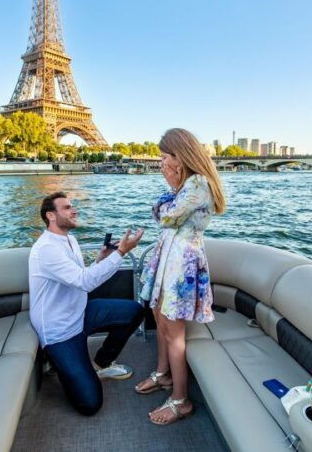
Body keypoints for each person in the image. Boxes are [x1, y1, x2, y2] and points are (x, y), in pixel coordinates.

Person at [134, 128, 226, 425]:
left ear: (179, 156)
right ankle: (163, 375)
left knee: (174, 333)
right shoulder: (187, 185)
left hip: (181, 265)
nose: (161, 162)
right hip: (168, 260)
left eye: (164, 156)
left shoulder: (198, 184)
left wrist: (171, 184)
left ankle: (181, 399)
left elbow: (165, 216)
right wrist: (174, 186)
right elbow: (163, 213)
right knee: (160, 319)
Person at [29, 191, 145, 416]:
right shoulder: (47, 249)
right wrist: (121, 251)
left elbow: (77, 274)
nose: (74, 210)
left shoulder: (68, 239)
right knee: (90, 403)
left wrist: (99, 260)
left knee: (134, 311)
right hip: (60, 330)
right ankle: (58, 361)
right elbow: (84, 281)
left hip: (80, 313)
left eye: (72, 206)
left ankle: (101, 364)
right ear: (50, 216)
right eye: (67, 208)